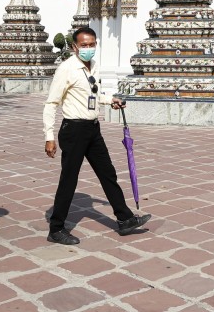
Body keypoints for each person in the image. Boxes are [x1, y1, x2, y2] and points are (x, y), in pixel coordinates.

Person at [43, 27, 150, 246]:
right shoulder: (67, 68)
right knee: (69, 179)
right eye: (84, 45)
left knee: (107, 173)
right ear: (74, 46)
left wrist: (110, 100)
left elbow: (93, 94)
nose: (89, 48)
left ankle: (125, 218)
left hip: (92, 128)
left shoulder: (93, 66)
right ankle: (56, 228)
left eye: (92, 44)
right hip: (73, 130)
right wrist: (49, 136)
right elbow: (52, 103)